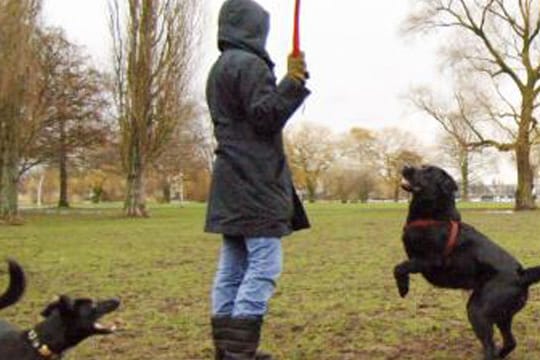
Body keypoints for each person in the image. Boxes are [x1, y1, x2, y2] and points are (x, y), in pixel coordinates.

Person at [205, 0, 311, 358]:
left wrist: (286, 82)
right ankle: (238, 353)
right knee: (264, 262)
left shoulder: (220, 67)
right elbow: (265, 117)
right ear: (253, 29)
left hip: (230, 180)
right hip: (254, 181)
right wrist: (292, 82)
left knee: (233, 265)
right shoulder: (250, 65)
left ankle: (228, 349)